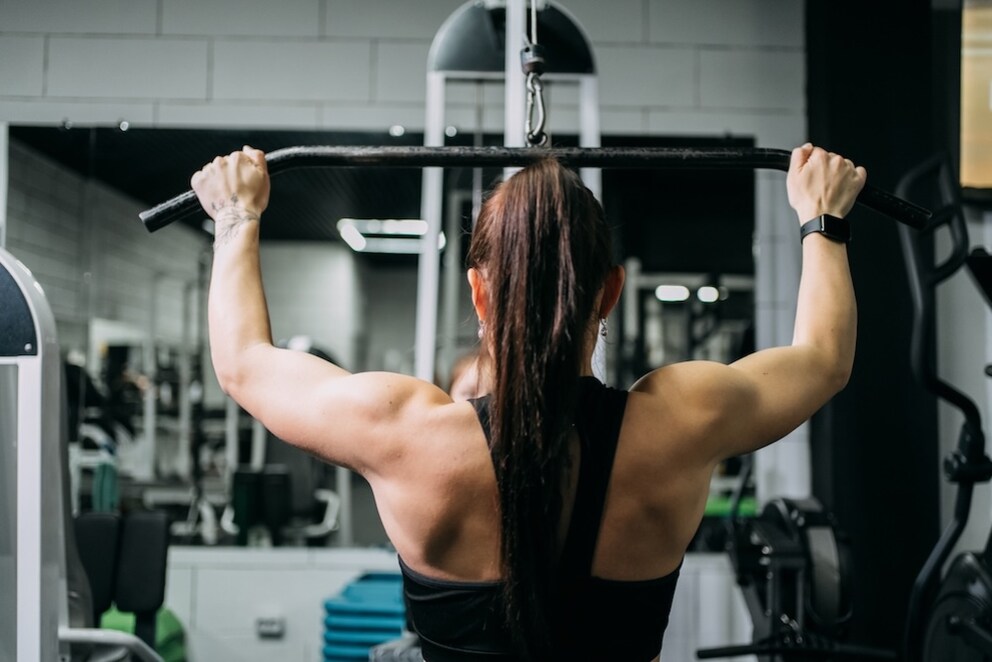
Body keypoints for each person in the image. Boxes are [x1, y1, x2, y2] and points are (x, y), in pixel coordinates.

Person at [191, 143, 865, 661]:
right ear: (609, 292)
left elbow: (243, 364)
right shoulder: (681, 421)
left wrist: (236, 216)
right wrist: (823, 219)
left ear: (479, 294)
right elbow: (824, 361)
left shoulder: (404, 432)